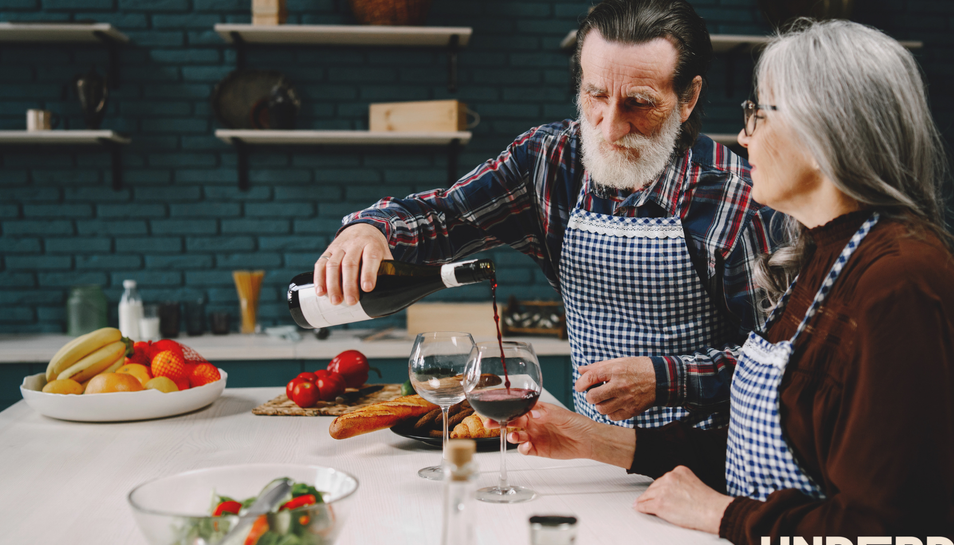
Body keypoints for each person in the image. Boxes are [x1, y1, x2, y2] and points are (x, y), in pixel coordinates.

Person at [492, 20, 954, 545]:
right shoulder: (822, 256)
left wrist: (720, 513)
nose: (744, 139)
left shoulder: (901, 284)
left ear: (822, 127)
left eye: (758, 115)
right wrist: (595, 439)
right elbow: (766, 452)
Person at [313, 0, 780, 429]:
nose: (611, 127)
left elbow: (781, 364)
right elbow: (444, 217)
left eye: (639, 103)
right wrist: (372, 229)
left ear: (687, 97)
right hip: (587, 450)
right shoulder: (548, 160)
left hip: (702, 464)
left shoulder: (738, 198)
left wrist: (666, 379)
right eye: (596, 95)